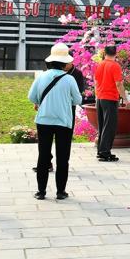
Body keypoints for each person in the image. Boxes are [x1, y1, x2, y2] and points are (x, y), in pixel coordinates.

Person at [28, 44, 83, 200]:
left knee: (43, 156)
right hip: (63, 121)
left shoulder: (42, 77)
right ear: (65, 63)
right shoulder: (70, 79)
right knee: (62, 157)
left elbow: (31, 97)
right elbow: (78, 99)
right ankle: (60, 192)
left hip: (43, 120)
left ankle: (41, 192)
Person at [93, 44, 124, 162]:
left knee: (102, 125)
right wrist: (125, 99)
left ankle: (101, 151)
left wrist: (98, 95)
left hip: (100, 98)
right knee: (110, 126)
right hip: (110, 98)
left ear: (104, 53)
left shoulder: (100, 65)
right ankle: (105, 152)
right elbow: (118, 84)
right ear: (116, 53)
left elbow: (96, 81)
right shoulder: (115, 66)